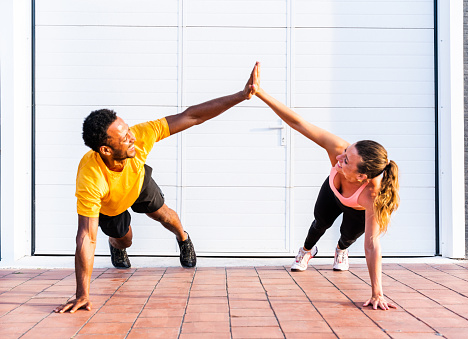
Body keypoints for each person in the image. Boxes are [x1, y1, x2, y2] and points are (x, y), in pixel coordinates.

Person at [54, 62, 260, 314]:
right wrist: (82, 294)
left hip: (138, 182)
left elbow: (191, 116)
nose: (132, 137)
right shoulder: (91, 176)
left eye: (128, 130)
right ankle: (117, 245)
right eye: (124, 137)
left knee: (164, 215)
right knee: (124, 240)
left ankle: (183, 238)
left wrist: (241, 95)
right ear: (106, 150)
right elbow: (86, 236)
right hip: (110, 203)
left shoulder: (139, 137)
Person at [253, 63, 399, 310]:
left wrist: (377, 293)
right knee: (320, 222)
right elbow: (299, 123)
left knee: (348, 237)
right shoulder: (339, 151)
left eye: (347, 161)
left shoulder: (372, 195)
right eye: (345, 152)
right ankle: (307, 251)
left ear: (363, 176)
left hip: (356, 207)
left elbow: (372, 245)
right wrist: (260, 92)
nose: (339, 159)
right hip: (333, 193)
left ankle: (340, 250)